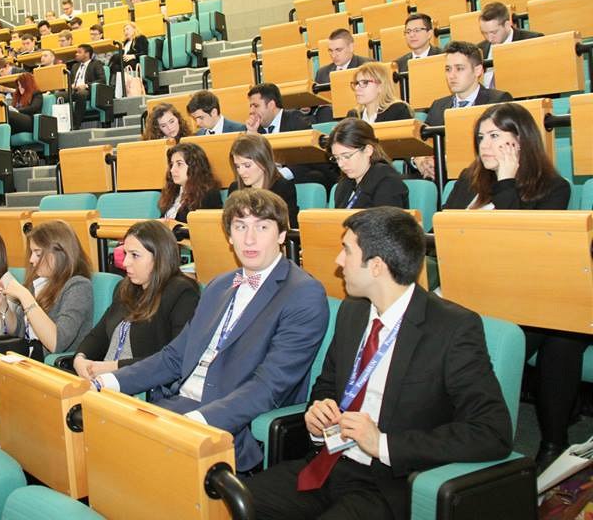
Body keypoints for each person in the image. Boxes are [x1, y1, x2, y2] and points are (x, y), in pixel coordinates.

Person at [245, 206, 512, 520]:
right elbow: (327, 385)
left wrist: (384, 444)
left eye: (347, 250)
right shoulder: (352, 312)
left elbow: (492, 432)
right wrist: (319, 413)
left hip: (387, 483)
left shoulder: (452, 329)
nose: (339, 260)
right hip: (328, 463)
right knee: (230, 502)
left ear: (376, 266)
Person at [92, 189, 329, 472]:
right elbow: (173, 357)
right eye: (240, 227)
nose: (249, 239)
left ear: (281, 235)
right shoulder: (219, 285)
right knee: (100, 431)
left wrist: (195, 423)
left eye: (262, 227)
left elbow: (269, 386)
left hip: (228, 426)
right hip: (176, 406)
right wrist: (106, 382)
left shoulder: (303, 293)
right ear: (229, 237)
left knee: (123, 455)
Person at [439, 104, 572, 469]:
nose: (485, 144)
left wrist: (508, 182)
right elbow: (444, 234)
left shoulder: (553, 188)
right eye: (481, 136)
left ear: (521, 140)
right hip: (467, 288)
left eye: (496, 135)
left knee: (564, 335)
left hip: (524, 296)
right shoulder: (469, 180)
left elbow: (517, 247)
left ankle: (553, 443)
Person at [73, 221, 199, 378]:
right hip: (104, 379)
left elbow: (174, 358)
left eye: (135, 255)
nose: (125, 263)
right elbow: (98, 336)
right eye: (125, 253)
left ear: (160, 257)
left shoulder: (182, 293)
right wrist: (80, 358)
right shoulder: (125, 288)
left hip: (140, 384)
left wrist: (113, 367)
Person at [0, 221, 93, 360]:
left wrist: (25, 296)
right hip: (26, 354)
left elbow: (57, 343)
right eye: (32, 253)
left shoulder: (79, 286)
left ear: (59, 254)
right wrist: (2, 305)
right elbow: (18, 330)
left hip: (48, 364)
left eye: (38, 254)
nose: (31, 259)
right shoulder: (38, 282)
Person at [410, 41, 513, 180]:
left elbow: (501, 148)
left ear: (478, 70)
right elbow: (423, 144)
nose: (452, 75)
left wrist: (445, 161)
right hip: (441, 177)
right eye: (448, 69)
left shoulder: (498, 101)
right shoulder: (438, 105)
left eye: (459, 68)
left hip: (483, 177)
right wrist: (419, 159)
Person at [328, 119, 408, 210]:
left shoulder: (387, 180)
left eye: (347, 156)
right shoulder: (344, 184)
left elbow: (387, 219)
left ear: (368, 150)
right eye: (337, 158)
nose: (340, 164)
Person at [229, 134, 300, 228]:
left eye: (247, 165)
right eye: (237, 166)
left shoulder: (283, 187)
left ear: (263, 161)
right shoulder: (235, 188)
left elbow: (289, 228)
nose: (241, 172)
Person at [477, 1, 543, 89]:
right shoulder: (479, 49)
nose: (489, 38)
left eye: (494, 32)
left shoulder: (532, 41)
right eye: (484, 33)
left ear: (507, 25)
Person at [158, 143, 222, 223]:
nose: (172, 170)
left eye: (179, 164)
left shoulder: (208, 194)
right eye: (172, 164)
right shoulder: (171, 193)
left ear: (194, 167)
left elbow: (204, 227)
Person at [346, 62, 413, 124]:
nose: (357, 88)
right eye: (356, 83)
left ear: (380, 86)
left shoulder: (398, 110)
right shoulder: (353, 115)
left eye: (365, 82)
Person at [67, 44, 106, 129]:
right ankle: (62, 125)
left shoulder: (96, 64)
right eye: (76, 52)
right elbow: (69, 82)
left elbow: (102, 80)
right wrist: (71, 85)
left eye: (79, 52)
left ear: (87, 54)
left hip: (88, 91)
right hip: (73, 91)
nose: (76, 54)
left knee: (81, 94)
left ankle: (75, 125)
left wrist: (86, 85)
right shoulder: (74, 66)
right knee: (58, 96)